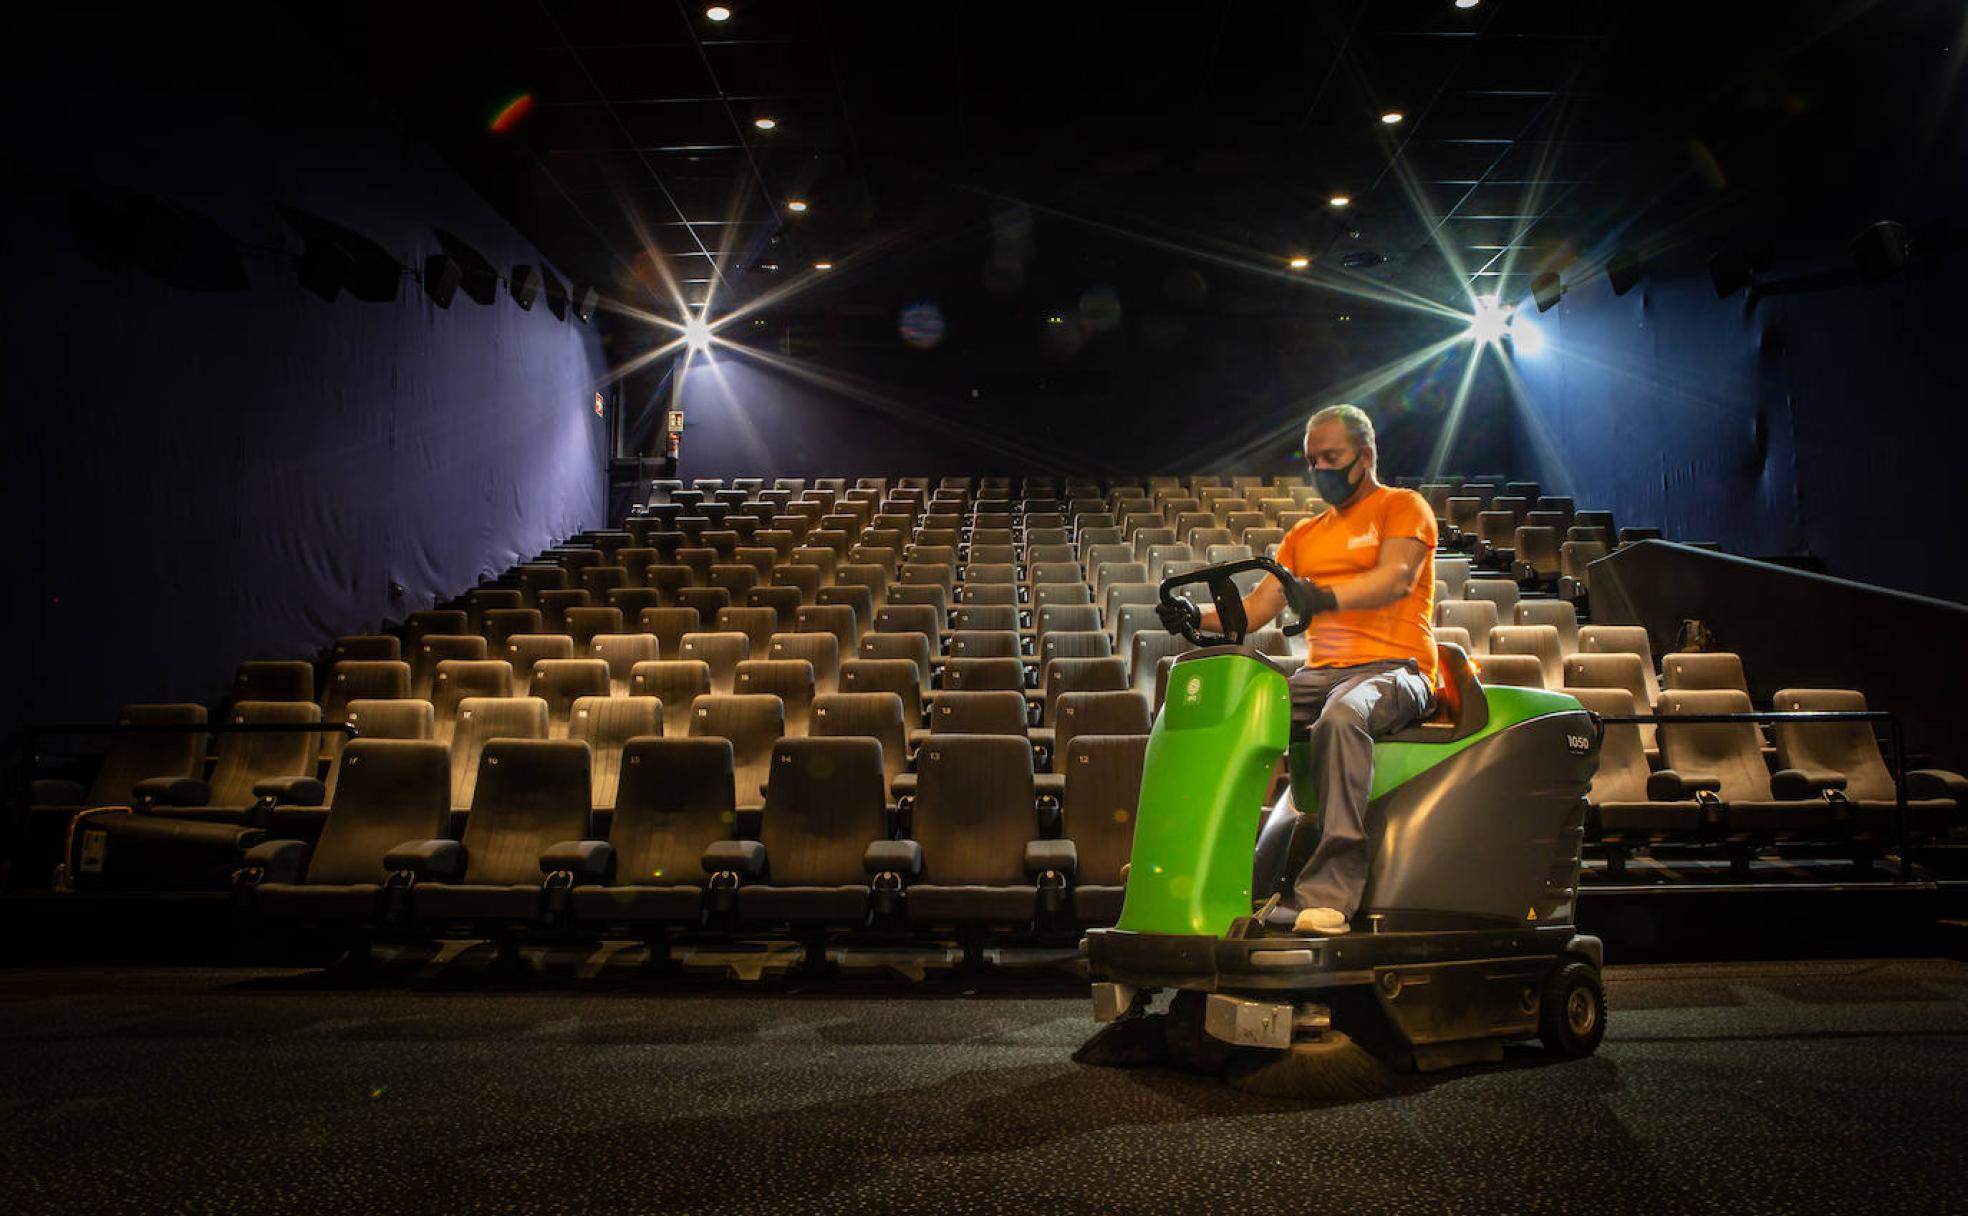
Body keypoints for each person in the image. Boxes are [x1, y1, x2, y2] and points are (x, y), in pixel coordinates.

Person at [1157, 403, 1437, 935]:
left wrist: (1320, 596)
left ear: (1366, 455)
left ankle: (1331, 892)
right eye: (1312, 460)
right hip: (1321, 672)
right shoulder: (1305, 536)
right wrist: (1197, 613)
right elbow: (1258, 610)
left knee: (1340, 718)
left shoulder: (1402, 507)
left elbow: (1395, 579)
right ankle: (1195, 863)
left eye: (1331, 457)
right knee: (1235, 715)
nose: (1320, 471)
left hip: (1398, 669)